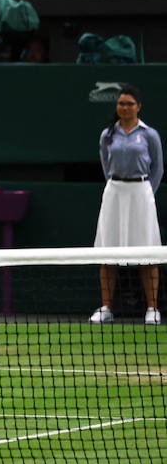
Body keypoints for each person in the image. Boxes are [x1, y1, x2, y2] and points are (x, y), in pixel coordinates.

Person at [90, 84, 161, 326]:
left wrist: (146, 192)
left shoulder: (149, 134)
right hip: (114, 193)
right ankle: (106, 308)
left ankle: (152, 309)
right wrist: (117, 185)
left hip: (141, 192)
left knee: (148, 252)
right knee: (107, 252)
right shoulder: (107, 135)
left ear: (138, 106)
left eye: (130, 103)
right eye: (121, 103)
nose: (125, 107)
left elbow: (158, 169)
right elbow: (105, 166)